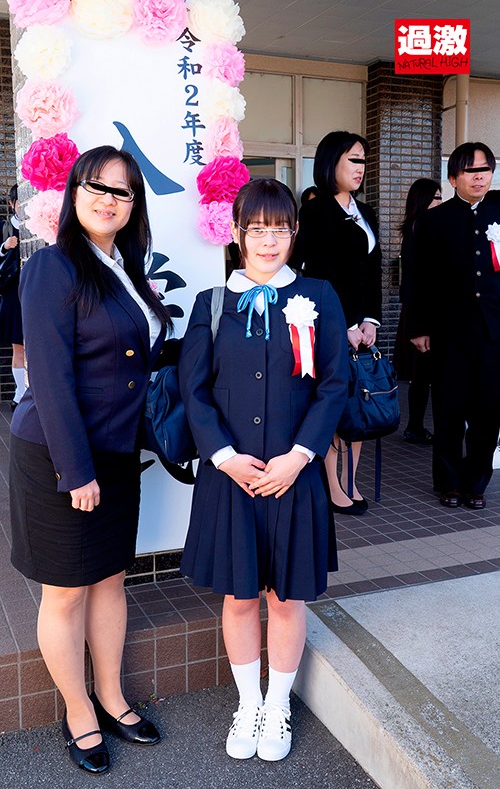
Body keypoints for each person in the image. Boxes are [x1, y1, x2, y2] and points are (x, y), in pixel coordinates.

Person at [9, 146, 172, 774]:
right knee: (66, 592)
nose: (108, 199)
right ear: (73, 193)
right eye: (95, 186)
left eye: (122, 191)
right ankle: (78, 711)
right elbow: (49, 378)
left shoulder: (126, 267)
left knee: (109, 579)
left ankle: (112, 696)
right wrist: (76, 471)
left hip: (117, 450)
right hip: (60, 454)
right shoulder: (51, 267)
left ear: (134, 206)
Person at [179, 178, 348, 762]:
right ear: (236, 233)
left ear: (294, 233)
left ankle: (278, 706)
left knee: (286, 599)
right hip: (231, 479)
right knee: (239, 597)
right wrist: (223, 457)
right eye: (257, 229)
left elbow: (334, 384)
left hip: (294, 477)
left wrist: (300, 456)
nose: (269, 241)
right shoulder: (212, 304)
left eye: (280, 229)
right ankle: (248, 703)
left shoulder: (319, 296)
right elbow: (194, 390)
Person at [291, 130, 382, 515]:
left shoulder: (366, 211)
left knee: (357, 405)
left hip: (362, 329)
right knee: (333, 404)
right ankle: (332, 485)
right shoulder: (316, 211)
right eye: (353, 159)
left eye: (363, 160)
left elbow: (372, 272)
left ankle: (350, 481)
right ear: (332, 163)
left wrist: (371, 321)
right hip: (330, 327)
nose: (361, 168)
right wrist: (344, 324)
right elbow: (318, 275)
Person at [409, 141, 500, 510]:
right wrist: (419, 327)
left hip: (494, 330)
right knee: (449, 409)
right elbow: (418, 278)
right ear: (452, 178)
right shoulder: (435, 220)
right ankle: (447, 481)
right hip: (449, 331)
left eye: (485, 169)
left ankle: (476, 482)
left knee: (488, 411)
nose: (479, 177)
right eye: (470, 170)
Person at [393, 178, 442, 445]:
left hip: (420, 313)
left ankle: (415, 426)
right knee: (424, 374)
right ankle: (415, 427)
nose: (441, 202)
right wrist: (419, 326)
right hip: (423, 314)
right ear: (424, 200)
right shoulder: (421, 228)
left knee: (422, 376)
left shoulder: (418, 227)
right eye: (436, 197)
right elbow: (415, 280)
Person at [0, 184, 24, 410]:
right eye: (18, 202)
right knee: (18, 347)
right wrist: (4, 247)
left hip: (35, 292)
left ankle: (31, 393)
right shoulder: (4, 227)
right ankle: (20, 394)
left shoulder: (38, 225)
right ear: (12, 203)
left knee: (36, 347)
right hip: (13, 294)